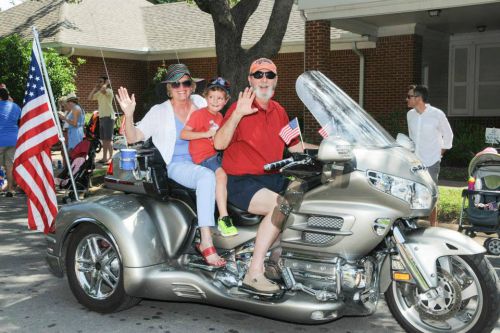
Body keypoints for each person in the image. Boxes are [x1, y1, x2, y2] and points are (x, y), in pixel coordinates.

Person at [214, 58, 316, 293]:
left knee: (305, 196)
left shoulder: (279, 111)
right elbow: (219, 143)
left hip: (270, 177)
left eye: (269, 75)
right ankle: (254, 271)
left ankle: (277, 261)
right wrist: (237, 115)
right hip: (240, 180)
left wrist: (330, 147)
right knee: (280, 206)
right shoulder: (239, 108)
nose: (263, 80)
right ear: (250, 80)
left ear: (276, 80)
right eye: (258, 75)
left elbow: (295, 146)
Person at [116, 63, 226, 267]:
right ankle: (207, 242)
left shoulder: (201, 102)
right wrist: (129, 114)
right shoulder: (160, 111)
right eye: (176, 84)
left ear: (192, 86)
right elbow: (134, 138)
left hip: (205, 158)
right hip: (177, 164)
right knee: (206, 177)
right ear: (169, 88)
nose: (181, 87)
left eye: (185, 82)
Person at [180, 77, 238, 237]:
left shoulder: (220, 117)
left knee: (235, 170)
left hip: (215, 154)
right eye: (211, 97)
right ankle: (224, 218)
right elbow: (184, 134)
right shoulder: (199, 115)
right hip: (203, 156)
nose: (215, 101)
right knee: (221, 175)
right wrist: (205, 134)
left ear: (225, 101)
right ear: (205, 97)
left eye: (219, 98)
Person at [406, 84, 453, 227]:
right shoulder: (410, 115)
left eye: (409, 96)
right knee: (413, 192)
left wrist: (440, 153)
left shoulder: (437, 114)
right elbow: (411, 137)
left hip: (432, 161)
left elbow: (449, 135)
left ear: (418, 98)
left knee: (431, 193)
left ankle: (433, 226)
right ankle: (412, 223)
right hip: (415, 162)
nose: (406, 99)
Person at [0, 87, 21, 197]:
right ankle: (10, 189)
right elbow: (19, 118)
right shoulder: (16, 107)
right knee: (10, 166)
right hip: (13, 139)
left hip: (1, 138)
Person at [88, 76, 115, 164]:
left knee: (108, 139)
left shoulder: (109, 91)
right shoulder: (99, 92)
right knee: (104, 139)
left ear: (105, 82)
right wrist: (94, 88)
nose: (99, 83)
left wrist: (107, 84)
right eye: (98, 81)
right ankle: (104, 158)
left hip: (108, 116)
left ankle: (111, 158)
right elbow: (90, 98)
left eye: (101, 82)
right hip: (102, 117)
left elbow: (104, 91)